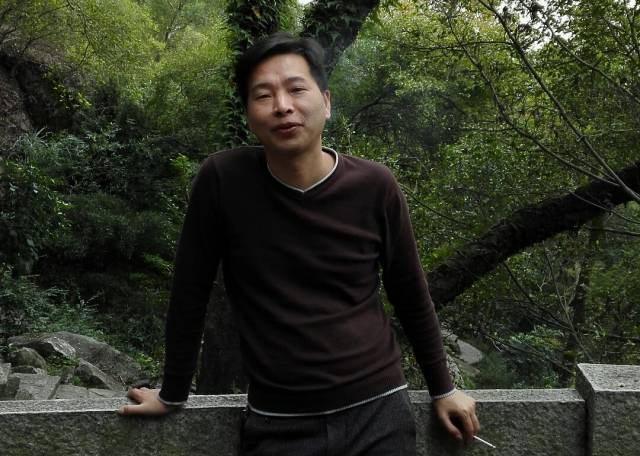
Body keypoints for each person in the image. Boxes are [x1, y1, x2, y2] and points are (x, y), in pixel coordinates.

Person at [118, 32, 479, 454]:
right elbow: (189, 291)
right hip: (278, 423)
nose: (282, 106)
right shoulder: (223, 181)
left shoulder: (374, 186)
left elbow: (410, 292)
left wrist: (443, 389)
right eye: (263, 95)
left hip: (379, 411)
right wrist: (172, 393)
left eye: (296, 89)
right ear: (249, 115)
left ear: (326, 102)